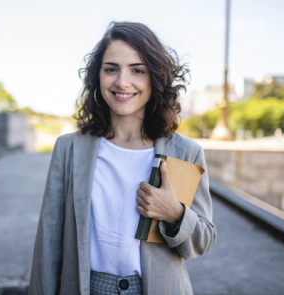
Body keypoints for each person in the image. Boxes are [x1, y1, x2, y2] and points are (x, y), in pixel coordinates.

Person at [29, 21, 216, 295]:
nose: (122, 82)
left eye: (137, 70)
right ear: (97, 76)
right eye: (111, 69)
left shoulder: (186, 152)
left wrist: (174, 213)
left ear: (155, 77)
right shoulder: (69, 149)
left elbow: (201, 243)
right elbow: (49, 240)